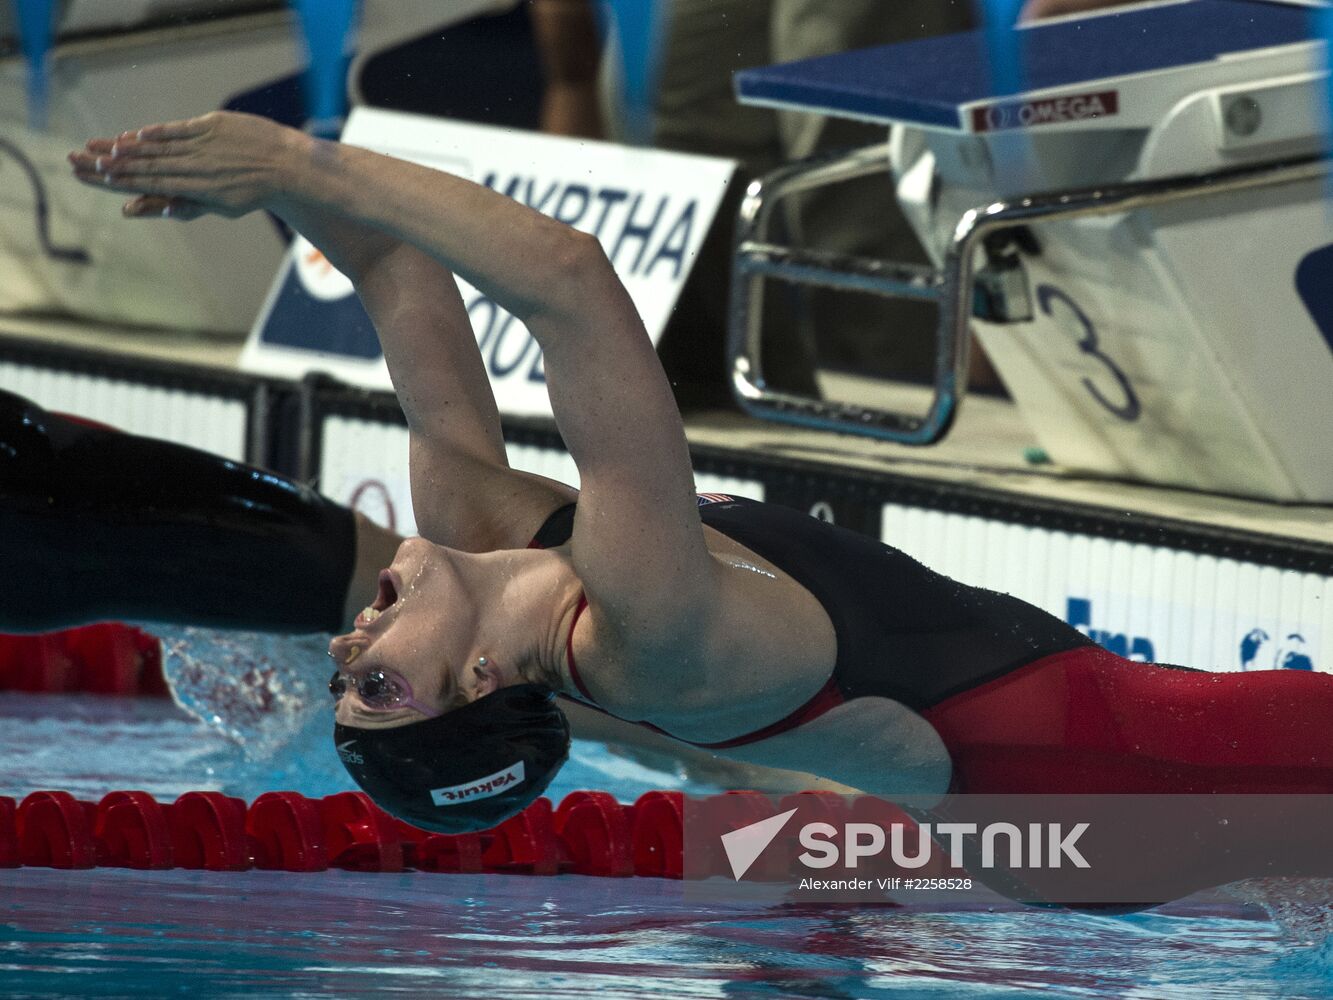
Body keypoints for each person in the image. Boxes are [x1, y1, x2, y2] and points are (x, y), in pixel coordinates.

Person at [60, 113, 1333, 846]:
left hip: (1125, 768)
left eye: (342, 672)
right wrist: (304, 166)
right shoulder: (647, 637)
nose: (347, 638)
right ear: (485, 680)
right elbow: (569, 282)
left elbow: (399, 276)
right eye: (380, 682)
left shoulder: (468, 520)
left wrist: (262, 187)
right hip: (1142, 792)